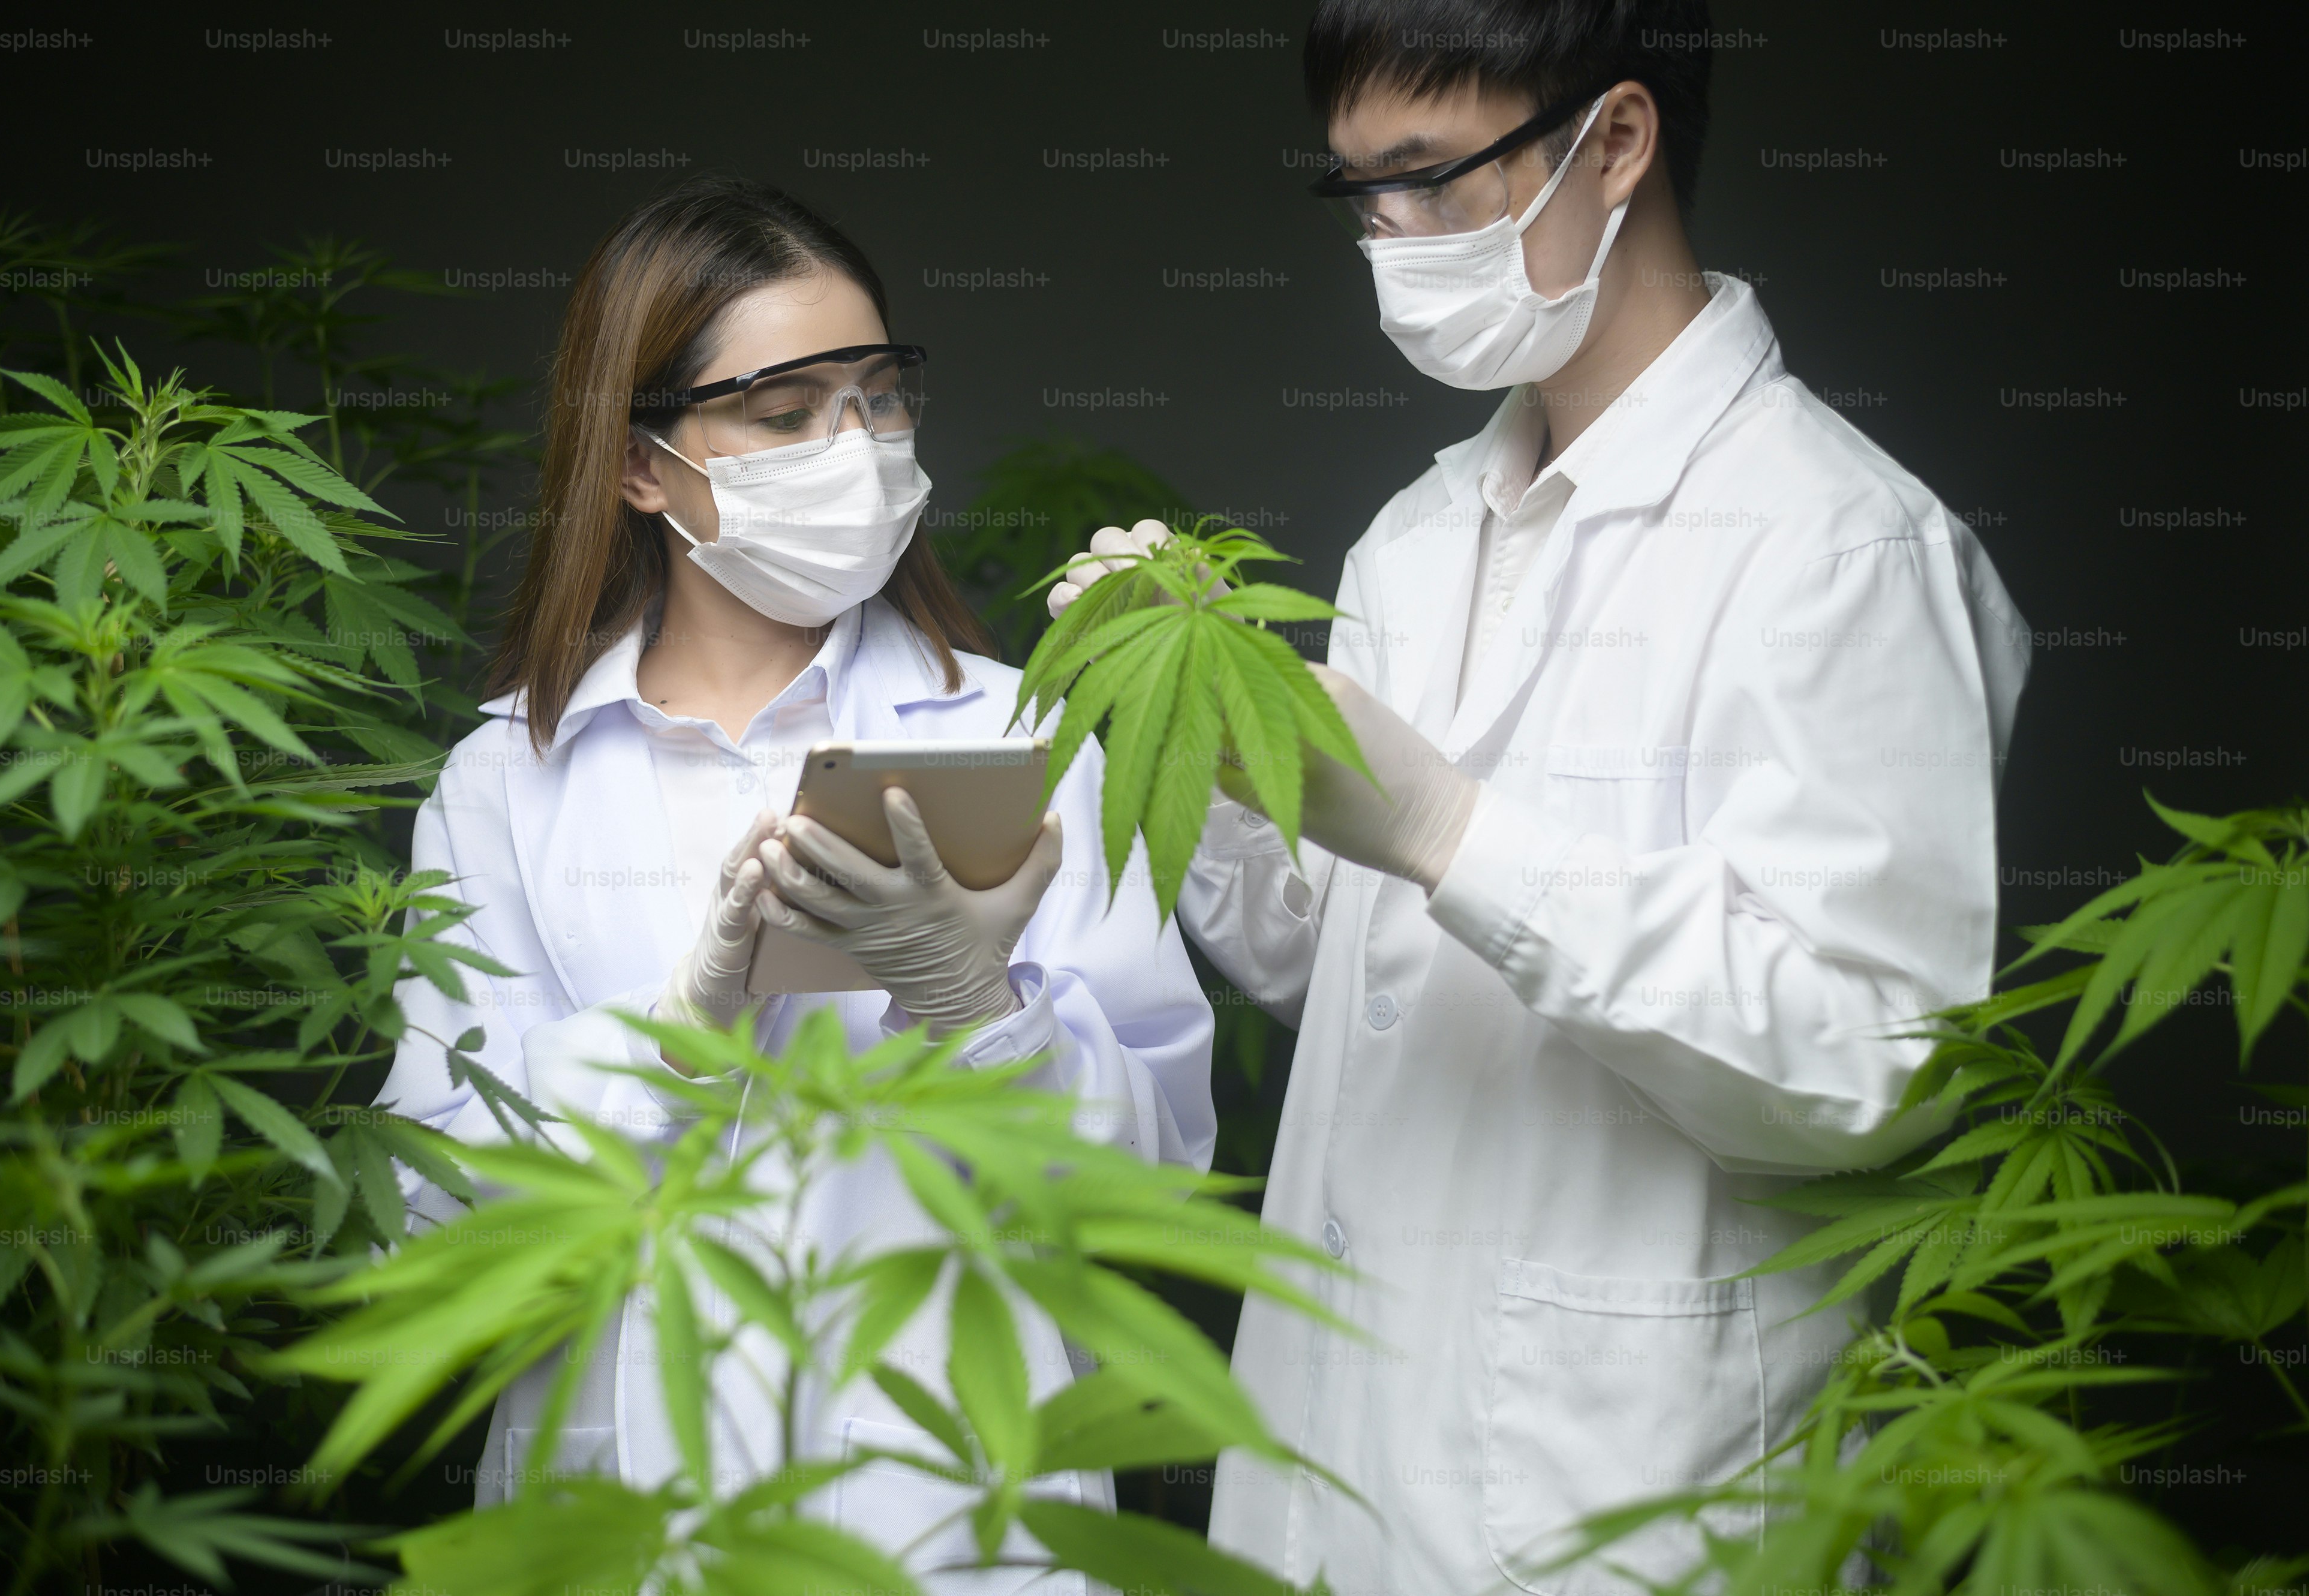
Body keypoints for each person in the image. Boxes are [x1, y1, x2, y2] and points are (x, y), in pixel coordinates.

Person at [1049, 3, 2028, 1591]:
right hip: (1335, 1463)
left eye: (1431, 175)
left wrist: (1450, 829)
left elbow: (1869, 1063)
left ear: (1616, 140)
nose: (1390, 235)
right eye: (1359, 189)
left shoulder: (1839, 544)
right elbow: (1346, 971)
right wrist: (1193, 747)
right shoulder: (1415, 538)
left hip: (1627, 1488)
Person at [374, 175, 1214, 1585]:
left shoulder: (1022, 732)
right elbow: (437, 1215)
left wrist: (979, 1004)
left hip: (948, 1516)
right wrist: (676, 1039)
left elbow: (1154, 1178)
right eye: (785, 412)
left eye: (879, 398)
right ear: (640, 465)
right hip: (626, 1512)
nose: (856, 448)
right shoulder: (504, 782)